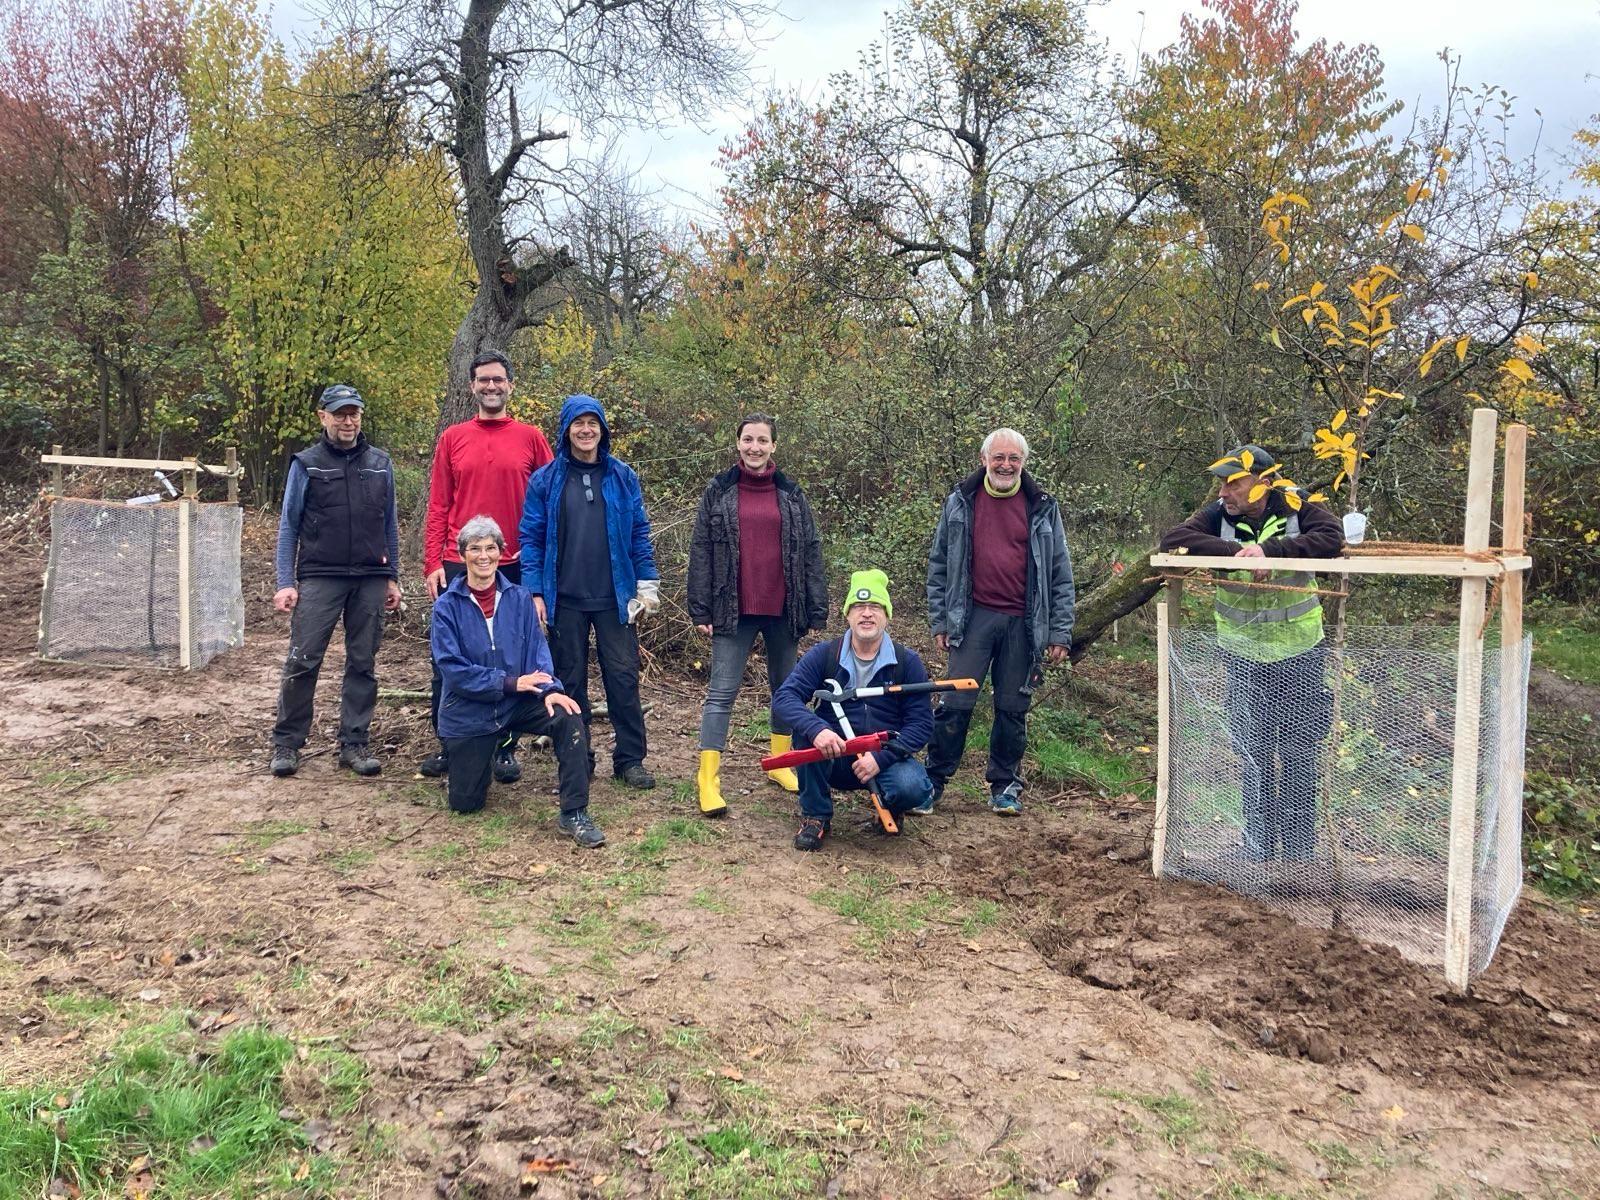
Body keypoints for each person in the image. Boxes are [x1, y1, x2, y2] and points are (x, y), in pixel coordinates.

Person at [1159, 444, 1343, 862]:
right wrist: (1236, 553)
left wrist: (1272, 551)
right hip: (1242, 655)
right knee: (1252, 750)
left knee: (1299, 751)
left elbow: (1332, 537)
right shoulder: (1218, 514)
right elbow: (1173, 538)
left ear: (1264, 482)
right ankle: (1257, 847)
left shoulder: (1295, 503)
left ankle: (1299, 852)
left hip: (1300, 650)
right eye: (1222, 483)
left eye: (1234, 483)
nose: (1224, 491)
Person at [419, 350, 554, 782]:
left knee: (510, 659)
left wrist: (541, 571)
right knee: (449, 659)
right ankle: (452, 743)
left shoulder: (531, 438)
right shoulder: (452, 438)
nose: (491, 386)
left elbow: (549, 504)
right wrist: (432, 561)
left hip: (514, 564)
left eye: (498, 379)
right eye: (483, 380)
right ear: (472, 387)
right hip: (459, 562)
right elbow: (438, 503)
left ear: (511, 385)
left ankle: (504, 747)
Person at [924, 428, 1075, 816]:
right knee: (955, 702)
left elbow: (1060, 573)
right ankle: (932, 782)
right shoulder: (960, 501)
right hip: (971, 618)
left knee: (1012, 708)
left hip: (1023, 624)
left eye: (1014, 459)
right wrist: (941, 620)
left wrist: (1059, 631)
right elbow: (939, 565)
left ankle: (1005, 786)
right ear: (984, 460)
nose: (1006, 465)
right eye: (999, 458)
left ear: (1024, 463)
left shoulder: (1042, 506)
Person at [687, 413, 829, 816]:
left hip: (784, 608)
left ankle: (781, 763)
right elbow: (701, 549)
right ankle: (708, 779)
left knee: (786, 690)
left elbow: (811, 549)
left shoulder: (792, 493)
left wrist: (816, 607)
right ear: (738, 444)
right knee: (721, 693)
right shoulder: (718, 490)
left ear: (773, 446)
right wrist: (700, 606)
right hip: (732, 609)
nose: (755, 447)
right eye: (748, 439)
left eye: (762, 440)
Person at [431, 516, 604, 846]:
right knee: (466, 803)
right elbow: (453, 671)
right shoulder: (445, 608)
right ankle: (483, 755)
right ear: (462, 554)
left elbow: (538, 651)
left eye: (491, 548)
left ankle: (574, 813)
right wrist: (510, 683)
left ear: (501, 553)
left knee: (569, 715)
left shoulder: (520, 598)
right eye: (475, 549)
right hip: (470, 711)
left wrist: (550, 690)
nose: (484, 556)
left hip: (517, 703)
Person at [518, 395, 660, 788]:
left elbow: (639, 533)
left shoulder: (622, 476)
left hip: (616, 599)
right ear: (566, 431)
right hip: (564, 600)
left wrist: (647, 585)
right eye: (577, 423)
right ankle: (579, 757)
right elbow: (530, 537)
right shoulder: (545, 480)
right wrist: (534, 591)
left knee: (623, 679)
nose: (585, 430)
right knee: (569, 682)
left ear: (602, 429)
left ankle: (630, 760)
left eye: (592, 423)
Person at [269, 384, 402, 778]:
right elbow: (289, 525)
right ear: (323, 416)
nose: (348, 421)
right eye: (340, 413)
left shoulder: (380, 463)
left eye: (353, 413)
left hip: (370, 578)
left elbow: (390, 525)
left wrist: (392, 576)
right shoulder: (306, 463)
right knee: (303, 659)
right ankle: (287, 743)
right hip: (319, 577)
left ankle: (354, 743)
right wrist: (285, 581)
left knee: (363, 662)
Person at [771, 570, 935, 852]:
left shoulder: (906, 662)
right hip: (832, 754)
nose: (866, 614)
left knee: (913, 787)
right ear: (847, 614)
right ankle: (816, 816)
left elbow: (921, 724)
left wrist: (881, 758)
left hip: (882, 757)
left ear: (887, 615)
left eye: (875, 607)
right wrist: (817, 729)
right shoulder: (825, 655)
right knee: (805, 735)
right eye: (859, 607)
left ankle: (890, 807)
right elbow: (785, 697)